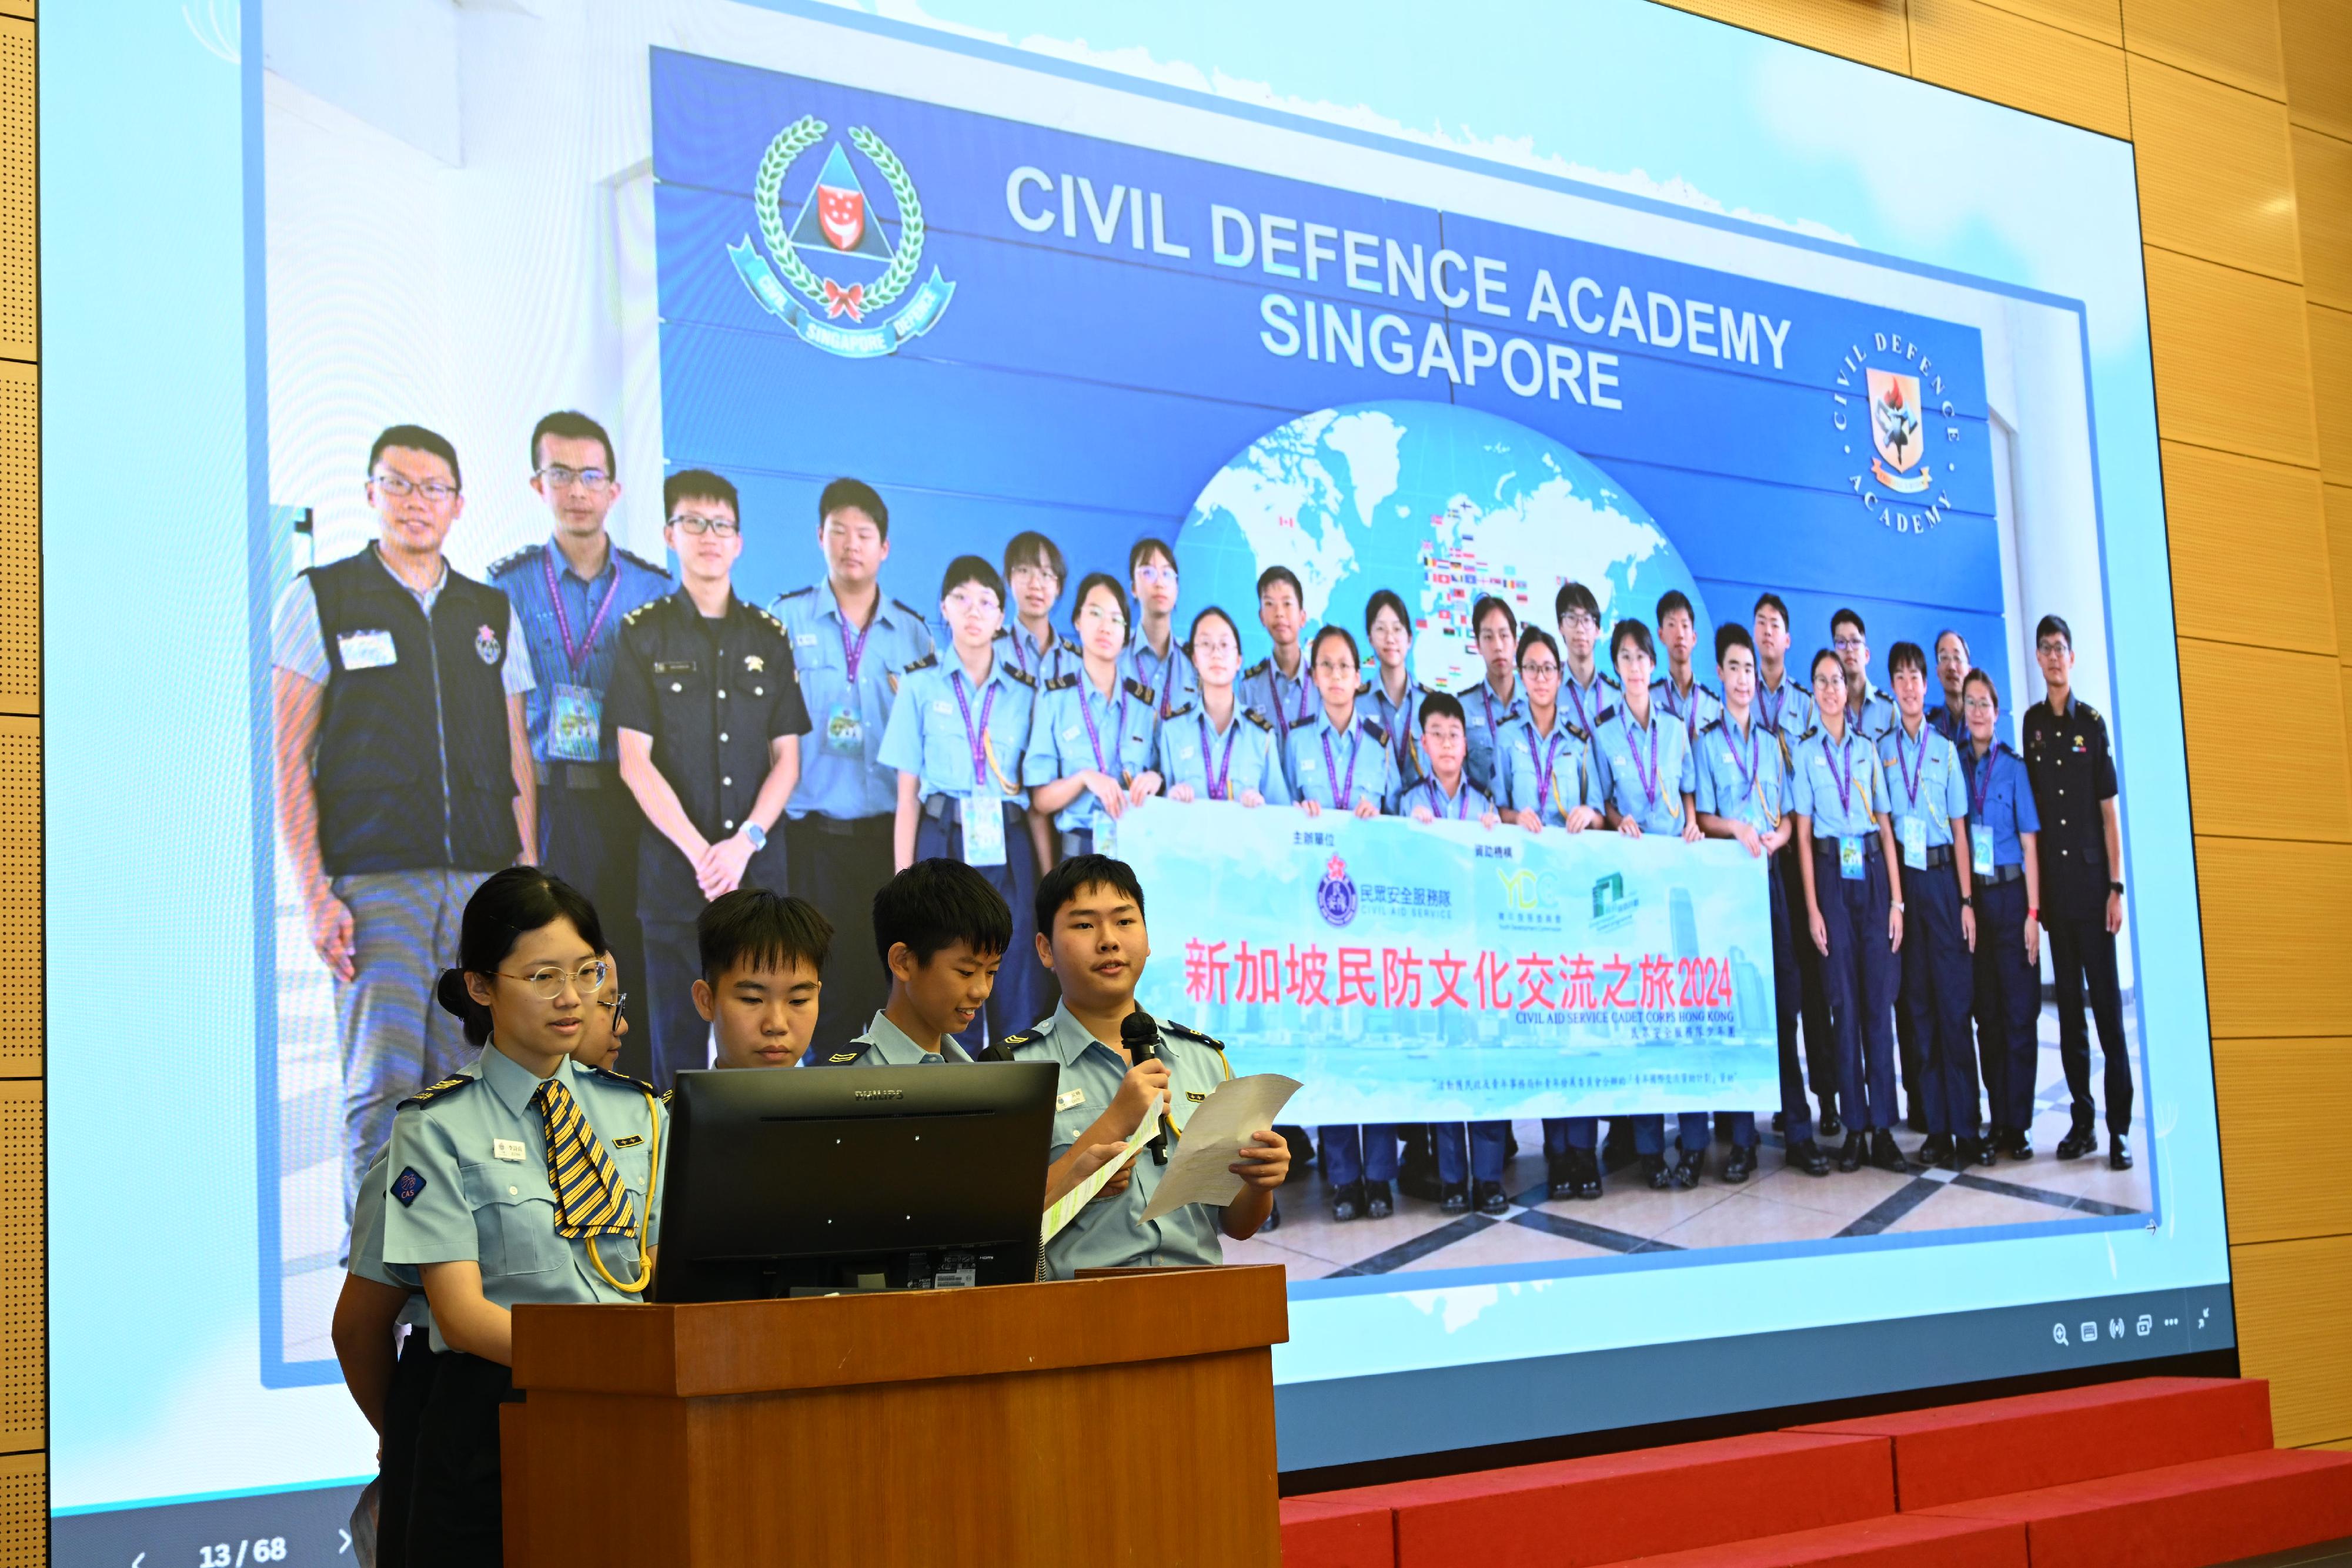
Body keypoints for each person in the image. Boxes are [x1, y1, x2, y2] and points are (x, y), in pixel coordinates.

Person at [271, 422, 538, 1228]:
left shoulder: (490, 610)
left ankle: (457, 1299)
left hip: (482, 891)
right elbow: (287, 755)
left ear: (458, 504)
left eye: (433, 488)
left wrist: (529, 888)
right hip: (376, 885)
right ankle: (382, 1290)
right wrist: (316, 891)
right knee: (384, 1091)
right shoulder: (321, 596)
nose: (416, 502)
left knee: (477, 1089)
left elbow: (517, 751)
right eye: (399, 483)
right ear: (369, 493)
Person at [382, 868, 664, 1565]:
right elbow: (461, 1316)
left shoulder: (642, 1114)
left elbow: (674, 1274)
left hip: (636, 1416)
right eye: (543, 977)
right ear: (481, 986)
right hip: (495, 1425)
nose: (573, 999)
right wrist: (598, 1358)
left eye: (588, 972)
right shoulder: (435, 1127)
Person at [609, 470, 808, 1089]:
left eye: (721, 524)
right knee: (675, 1051)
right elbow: (632, 761)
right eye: (693, 522)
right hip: (675, 882)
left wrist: (743, 842)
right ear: (671, 534)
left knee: (764, 1046)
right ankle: (676, 1180)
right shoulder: (643, 633)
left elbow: (789, 760)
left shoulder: (767, 637)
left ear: (740, 540)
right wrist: (704, 854)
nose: (709, 536)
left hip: (756, 879)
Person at [1001, 855, 1289, 1275]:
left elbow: (1236, 1224)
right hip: (1079, 1316)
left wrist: (1261, 1183)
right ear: (1045, 949)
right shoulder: (1017, 1071)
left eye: (1124, 921)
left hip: (1200, 1303)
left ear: (1148, 938)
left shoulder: (1204, 1059)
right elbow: (1003, 1226)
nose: (1108, 940)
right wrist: (1118, 1118)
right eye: (1084, 925)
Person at [490, 412, 671, 1078]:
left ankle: (636, 1112)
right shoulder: (503, 588)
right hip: (549, 798)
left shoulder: (655, 590)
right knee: (550, 968)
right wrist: (521, 841)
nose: (576, 490)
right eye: (560, 474)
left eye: (590, 475)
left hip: (632, 803)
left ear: (614, 490)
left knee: (632, 963)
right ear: (538, 484)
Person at [774, 478, 936, 1057]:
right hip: (809, 836)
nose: (851, 544)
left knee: (880, 975)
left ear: (885, 547)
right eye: (838, 531)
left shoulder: (913, 632)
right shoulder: (785, 621)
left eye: (864, 534)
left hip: (882, 839)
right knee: (807, 975)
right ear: (819, 537)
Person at [878, 554, 1047, 1048]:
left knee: (1013, 973)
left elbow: (1035, 799)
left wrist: (1043, 875)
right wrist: (901, 887)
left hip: (1008, 842)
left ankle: (1018, 1109)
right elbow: (906, 798)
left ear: (1001, 617)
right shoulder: (918, 685)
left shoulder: (1025, 692)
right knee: (948, 977)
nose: (974, 611)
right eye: (961, 599)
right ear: (943, 609)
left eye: (987, 602)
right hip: (942, 837)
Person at [1693, 624, 1829, 1180]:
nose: (1745, 678)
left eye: (1750, 668)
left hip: (1770, 881)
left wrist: (1774, 838)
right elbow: (1701, 817)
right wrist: (1735, 828)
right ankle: (1742, 1139)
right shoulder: (1706, 741)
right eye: (1734, 668)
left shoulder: (1775, 743)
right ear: (1720, 675)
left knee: (1783, 1006)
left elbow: (1791, 816)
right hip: (1727, 885)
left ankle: (1797, 1129)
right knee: (1736, 1010)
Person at [1589, 617, 1706, 1188]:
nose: (1635, 668)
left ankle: (1695, 1141)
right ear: (1616, 669)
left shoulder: (1678, 730)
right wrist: (1618, 820)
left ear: (1653, 667)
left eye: (1642, 658)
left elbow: (1688, 789)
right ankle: (1646, 1148)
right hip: (1632, 884)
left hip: (1674, 881)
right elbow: (1602, 802)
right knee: (1643, 1012)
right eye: (1626, 659)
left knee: (1685, 1009)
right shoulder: (1603, 733)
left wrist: (1688, 820)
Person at [1289, 623, 1399, 1218]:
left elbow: (1404, 817)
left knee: (1372, 1040)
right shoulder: (1295, 741)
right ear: (1314, 679)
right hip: (1315, 915)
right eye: (1325, 667)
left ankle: (1380, 1176)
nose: (1335, 677)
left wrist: (1377, 814)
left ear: (1360, 678)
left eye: (1344, 667)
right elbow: (1277, 826)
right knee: (1330, 1039)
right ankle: (1342, 1177)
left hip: (1371, 917)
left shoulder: (1381, 743)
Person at [1496, 626, 1606, 1199]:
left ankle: (1582, 1151)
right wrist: (1515, 817)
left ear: (1561, 678)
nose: (1540, 678)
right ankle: (1555, 1150)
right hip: (1522, 900)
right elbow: (1488, 806)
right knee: (1541, 1021)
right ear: (1520, 674)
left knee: (1575, 1019)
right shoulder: (1505, 736)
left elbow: (1605, 810)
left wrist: (1590, 810)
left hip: (1570, 899)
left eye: (1548, 668)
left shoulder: (1579, 742)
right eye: (1531, 668)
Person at [1791, 647, 1907, 1174]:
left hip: (1874, 881)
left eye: (1837, 680)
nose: (1832, 689)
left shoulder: (1868, 749)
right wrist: (1814, 908)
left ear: (1847, 685)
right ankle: (1854, 1128)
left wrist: (1898, 901)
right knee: (1844, 1009)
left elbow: (1884, 826)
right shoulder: (1805, 752)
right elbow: (1802, 835)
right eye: (1822, 681)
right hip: (1833, 880)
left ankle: (1884, 1127)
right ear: (1813, 691)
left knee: (1877, 1008)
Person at [2022, 615, 2132, 1169]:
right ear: (2038, 659)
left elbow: (2110, 816)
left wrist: (2116, 886)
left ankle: (2119, 1130)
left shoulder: (2093, 723)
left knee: (2109, 1016)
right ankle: (2082, 1123)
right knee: (2069, 1019)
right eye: (2045, 649)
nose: (2054, 657)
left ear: (2073, 656)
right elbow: (2035, 818)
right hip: (2059, 904)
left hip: (2093, 895)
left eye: (2061, 647)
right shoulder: (2032, 724)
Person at [1394, 693, 1509, 1213]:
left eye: (1453, 734)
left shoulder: (1484, 805)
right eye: (1435, 732)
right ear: (1422, 742)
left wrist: (1497, 840)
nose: (1445, 742)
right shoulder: (1406, 804)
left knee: (1482, 1063)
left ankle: (1487, 1178)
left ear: (1466, 744)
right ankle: (1454, 1178)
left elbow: (1499, 879)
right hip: (1432, 958)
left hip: (1477, 954)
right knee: (1444, 1065)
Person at [1881, 641, 1980, 1168]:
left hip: (1944, 882)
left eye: (1916, 676)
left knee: (1953, 1007)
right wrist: (1896, 900)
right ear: (1893, 688)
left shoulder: (1944, 750)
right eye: (1900, 677)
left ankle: (1967, 1126)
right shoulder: (1883, 750)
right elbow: (1885, 829)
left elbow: (1961, 832)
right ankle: (1937, 1128)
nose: (1910, 685)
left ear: (1926, 683)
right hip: (1908, 887)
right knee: (1918, 1011)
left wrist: (1967, 899)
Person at [1756, 591, 1835, 1141]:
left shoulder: (1806, 704)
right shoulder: (1734, 698)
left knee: (1813, 986)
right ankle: (1787, 1099)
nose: (1766, 632)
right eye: (1759, 623)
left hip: (1798, 853)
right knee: (1774, 988)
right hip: (1756, 859)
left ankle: (1827, 1096)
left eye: (1775, 625)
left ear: (1788, 639)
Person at [1962, 668, 2044, 1162]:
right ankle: (1998, 1119)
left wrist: (2033, 913)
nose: (1976, 711)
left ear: (1997, 711)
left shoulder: (2012, 767)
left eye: (1984, 703)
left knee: (2019, 1015)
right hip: (1978, 902)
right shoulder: (1955, 764)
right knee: (1988, 1018)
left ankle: (2020, 1123)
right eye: (1970, 703)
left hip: (2013, 898)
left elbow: (2031, 845)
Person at [820, 858, 1012, 1066]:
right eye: (966, 972)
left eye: (991, 972)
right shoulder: (847, 1084)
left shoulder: (977, 1076)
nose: (982, 991)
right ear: (903, 962)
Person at [1025, 572, 1162, 860]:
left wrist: (1155, 778)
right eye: (1096, 614)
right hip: (1077, 856)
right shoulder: (1054, 699)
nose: (1105, 626)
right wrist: (1084, 779)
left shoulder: (1144, 705)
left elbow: (1166, 779)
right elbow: (1040, 801)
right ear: (1078, 621)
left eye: (1116, 619)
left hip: (1136, 853)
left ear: (1126, 632)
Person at [1155, 607, 1291, 807]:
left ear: (1239, 661)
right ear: (1194, 659)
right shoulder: (1173, 730)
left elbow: (1281, 815)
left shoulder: (1261, 736)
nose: (1216, 653)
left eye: (1225, 644)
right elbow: (1158, 816)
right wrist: (1171, 800)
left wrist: (1262, 809)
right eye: (1206, 644)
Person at [690, 887, 832, 1071]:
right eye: (752, 999)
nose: (776, 1025)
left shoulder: (844, 1099)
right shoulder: (671, 1101)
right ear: (706, 1001)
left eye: (798, 1001)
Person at [1240, 565, 1316, 751]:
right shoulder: (1250, 687)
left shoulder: (1322, 681)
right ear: (1262, 618)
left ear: (1303, 617)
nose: (1279, 613)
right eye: (1270, 604)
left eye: (1287, 604)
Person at [1456, 594, 1527, 794]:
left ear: (1516, 642)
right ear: (1478, 645)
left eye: (1504, 636)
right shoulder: (1463, 708)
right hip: (1480, 820)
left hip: (1529, 821)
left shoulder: (1536, 704)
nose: (1497, 646)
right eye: (1488, 637)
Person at [1123, 537, 1199, 720]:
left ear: (1177, 588)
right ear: (1134, 587)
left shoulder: (1195, 661)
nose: (1160, 583)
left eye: (1167, 574)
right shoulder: (1116, 654)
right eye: (1148, 573)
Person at [1362, 589, 1430, 795]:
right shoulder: (1356, 704)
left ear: (1409, 639)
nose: (1390, 638)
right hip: (1371, 816)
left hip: (1424, 816)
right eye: (1381, 629)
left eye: (1397, 629)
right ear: (1370, 639)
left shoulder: (1431, 703)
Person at [996, 530, 1078, 686]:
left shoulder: (1076, 662)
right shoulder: (991, 651)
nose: (1035, 585)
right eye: (1024, 571)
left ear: (1058, 587)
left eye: (1046, 575)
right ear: (1008, 578)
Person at [1652, 590, 1722, 754]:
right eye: (1672, 625)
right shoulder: (1650, 699)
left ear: (1694, 638)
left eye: (1685, 626)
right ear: (1661, 635)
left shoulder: (1713, 705)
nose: (1680, 634)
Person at [1553, 581, 1622, 740]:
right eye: (1571, 618)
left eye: (1587, 620)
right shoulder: (1551, 692)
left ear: (1597, 630)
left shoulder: (1616, 695)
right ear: (1560, 627)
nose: (1580, 628)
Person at [1831, 608, 1898, 741]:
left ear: (1867, 655)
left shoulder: (1888, 709)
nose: (1849, 649)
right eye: (1841, 643)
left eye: (1855, 642)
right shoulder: (1826, 707)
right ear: (1834, 656)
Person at [1926, 628, 1972, 747]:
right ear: (1938, 672)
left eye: (1957, 658)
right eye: (1944, 658)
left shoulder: (1982, 719)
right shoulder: (1928, 727)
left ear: (1969, 671)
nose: (1951, 667)